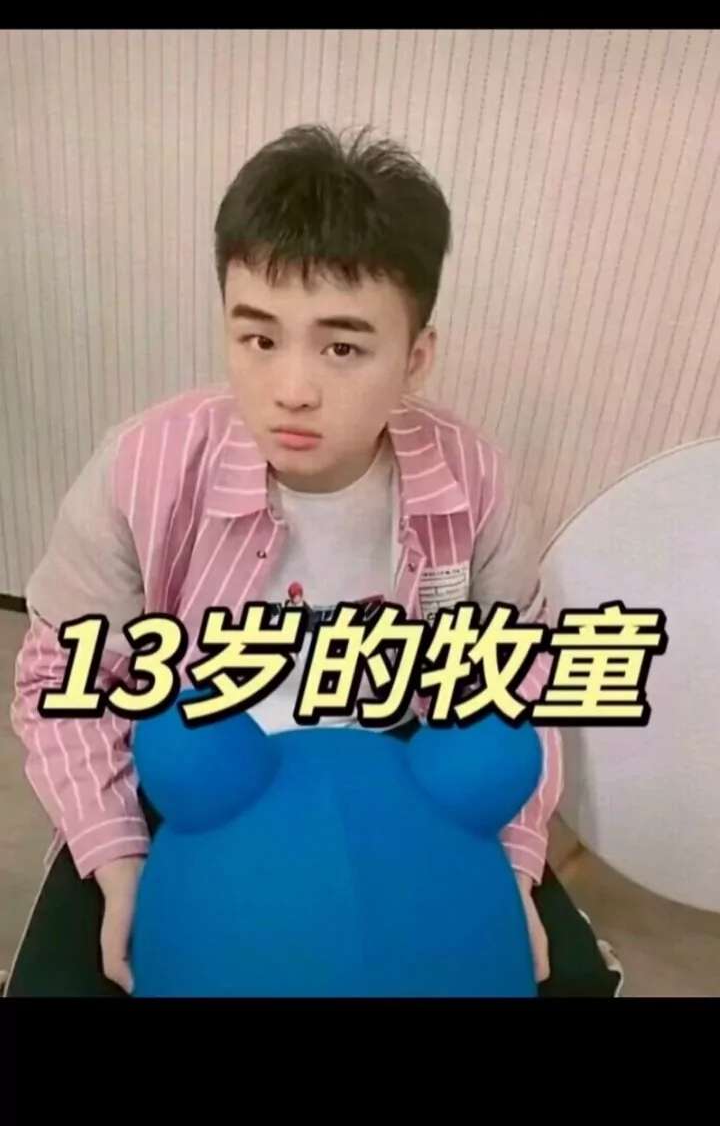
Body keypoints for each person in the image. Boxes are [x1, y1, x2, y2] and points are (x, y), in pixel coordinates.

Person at [5, 124, 620, 999]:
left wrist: (511, 866)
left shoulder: (472, 479)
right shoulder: (143, 468)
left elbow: (519, 676)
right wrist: (117, 857)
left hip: (408, 773)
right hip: (194, 765)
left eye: (342, 347)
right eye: (259, 339)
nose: (291, 389)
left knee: (554, 978)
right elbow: (60, 675)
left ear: (415, 358)